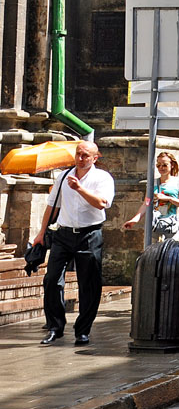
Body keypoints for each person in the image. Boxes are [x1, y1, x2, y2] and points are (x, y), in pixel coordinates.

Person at [35, 141, 115, 345]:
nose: (80, 158)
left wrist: (80, 189)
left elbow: (101, 204)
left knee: (89, 283)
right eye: (78, 154)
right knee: (52, 279)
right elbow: (52, 206)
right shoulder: (63, 176)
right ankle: (55, 327)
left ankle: (82, 330)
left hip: (90, 234)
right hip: (63, 233)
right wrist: (41, 233)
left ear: (95, 158)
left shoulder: (102, 178)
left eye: (85, 155)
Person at [123, 151, 179, 241]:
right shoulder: (152, 183)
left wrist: (169, 198)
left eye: (164, 165)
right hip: (154, 226)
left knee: (169, 253)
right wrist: (134, 220)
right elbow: (146, 203)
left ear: (172, 165)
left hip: (171, 227)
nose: (161, 168)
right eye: (158, 165)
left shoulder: (178, 182)